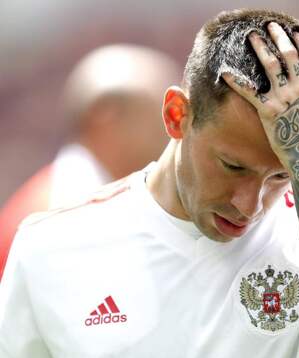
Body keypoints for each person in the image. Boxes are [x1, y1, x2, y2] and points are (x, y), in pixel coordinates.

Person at [0, 9, 299, 358]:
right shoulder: (49, 247)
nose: (248, 205)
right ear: (177, 114)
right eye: (233, 166)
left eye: (280, 176)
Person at [0, 44, 181, 279]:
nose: (176, 129)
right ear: (106, 117)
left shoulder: (71, 197)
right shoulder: (61, 213)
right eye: (163, 114)